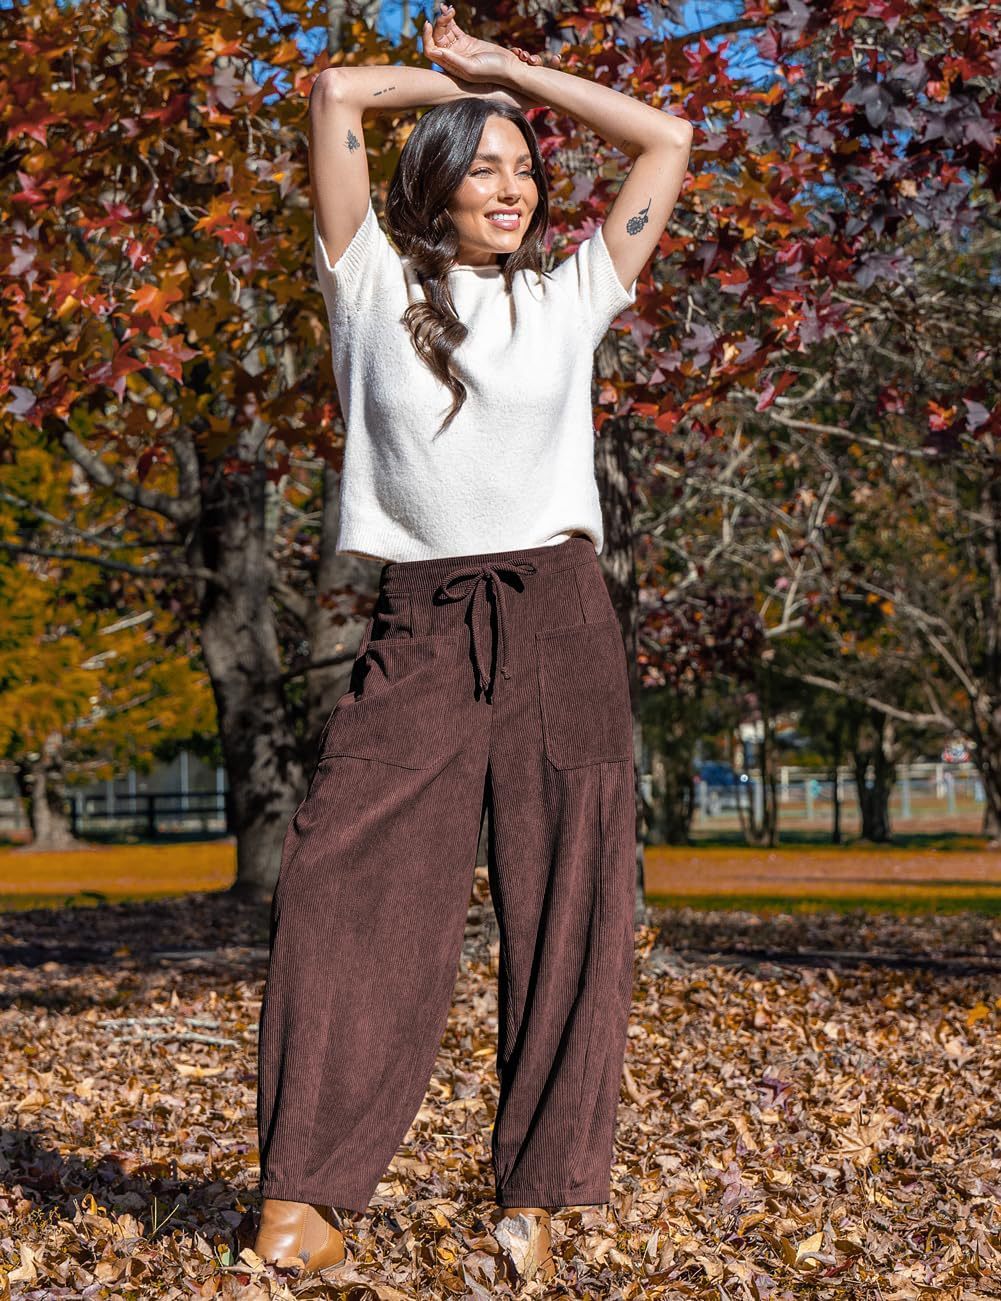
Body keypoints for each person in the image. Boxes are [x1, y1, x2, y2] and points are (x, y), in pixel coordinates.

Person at [252, 2, 693, 1281]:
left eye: (524, 168)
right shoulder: (369, 283)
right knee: (341, 884)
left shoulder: (569, 297)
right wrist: (450, 83)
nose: (513, 186)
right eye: (484, 166)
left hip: (560, 617)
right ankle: (302, 1192)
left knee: (569, 907)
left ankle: (534, 1199)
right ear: (436, 184)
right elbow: (336, 95)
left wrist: (513, 75)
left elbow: (665, 139)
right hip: (423, 624)